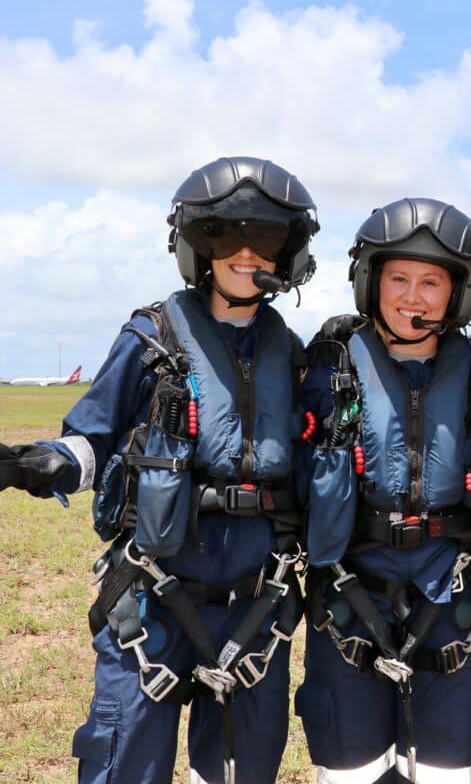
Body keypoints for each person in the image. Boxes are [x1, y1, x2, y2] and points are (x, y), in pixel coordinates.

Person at [0, 157, 320, 783]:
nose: (246, 253)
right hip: (154, 600)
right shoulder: (152, 338)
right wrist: (41, 464)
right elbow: (92, 439)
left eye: (267, 240)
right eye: (226, 235)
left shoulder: (291, 352)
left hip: (257, 606)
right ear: (197, 245)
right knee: (126, 768)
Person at [294, 197, 471, 783]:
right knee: (352, 768)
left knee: (444, 768)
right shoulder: (324, 367)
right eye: (399, 278)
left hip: (449, 594)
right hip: (349, 594)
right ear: (370, 282)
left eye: (431, 282)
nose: (413, 296)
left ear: (457, 294)